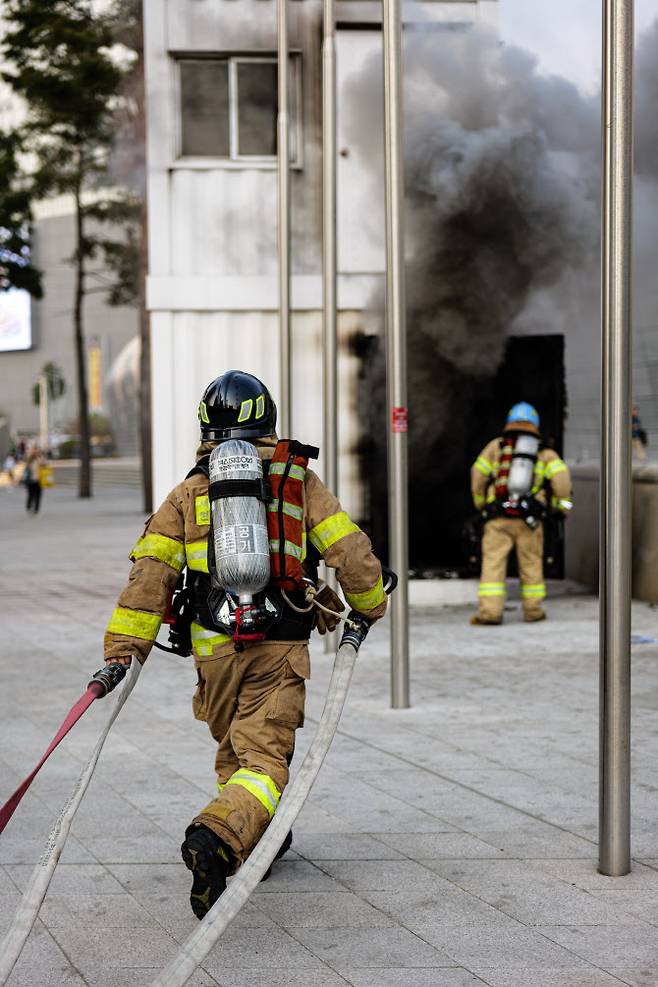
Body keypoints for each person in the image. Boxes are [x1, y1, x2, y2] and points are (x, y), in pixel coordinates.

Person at [103, 370, 387, 919]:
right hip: (278, 648)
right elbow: (351, 553)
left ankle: (255, 834)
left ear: (206, 428)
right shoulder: (298, 483)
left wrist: (122, 651)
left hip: (213, 654)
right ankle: (217, 836)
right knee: (264, 758)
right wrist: (371, 603)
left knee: (236, 748)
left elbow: (149, 576)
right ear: (268, 418)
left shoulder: (189, 492)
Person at [470, 402, 572, 625]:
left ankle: (490, 613)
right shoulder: (545, 452)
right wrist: (559, 507)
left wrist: (480, 503)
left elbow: (477, 474)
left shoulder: (496, 447)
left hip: (497, 518)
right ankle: (533, 611)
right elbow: (562, 481)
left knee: (493, 566)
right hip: (530, 521)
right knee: (531, 565)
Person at [23, 445, 46, 514]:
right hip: (30, 480)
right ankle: (29, 506)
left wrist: (40, 457)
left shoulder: (40, 458)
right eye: (35, 450)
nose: (37, 451)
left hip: (39, 480)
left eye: (38, 450)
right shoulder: (29, 459)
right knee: (31, 494)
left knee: (38, 495)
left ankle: (36, 509)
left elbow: (44, 465)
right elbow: (26, 469)